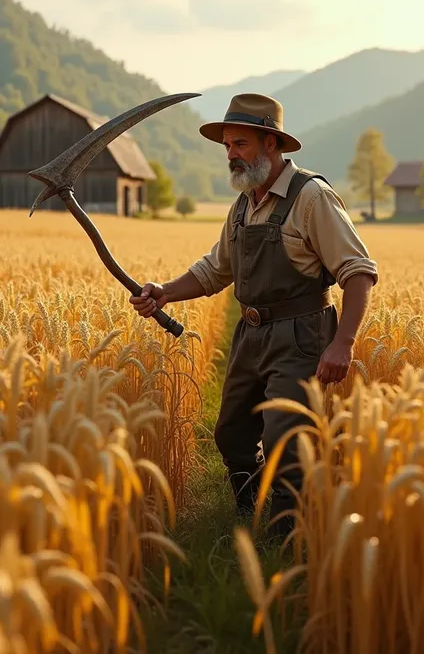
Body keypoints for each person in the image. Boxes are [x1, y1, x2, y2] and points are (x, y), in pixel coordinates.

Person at [129, 93, 378, 539]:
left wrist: (343, 342)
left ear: (270, 143)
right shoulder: (244, 203)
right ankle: (251, 509)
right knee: (231, 434)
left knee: (286, 438)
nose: (231, 155)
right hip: (251, 334)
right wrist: (165, 292)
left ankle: (284, 537)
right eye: (227, 146)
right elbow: (216, 270)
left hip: (301, 335)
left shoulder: (312, 197)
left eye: (240, 144)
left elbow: (358, 272)